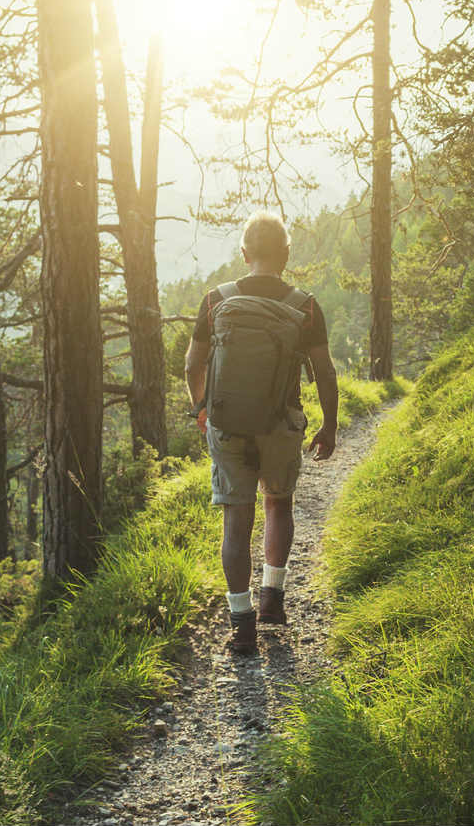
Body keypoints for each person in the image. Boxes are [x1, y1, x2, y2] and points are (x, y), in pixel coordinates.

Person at [185, 211, 339, 655]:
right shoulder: (304, 305)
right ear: (286, 255)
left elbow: (192, 365)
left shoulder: (216, 299)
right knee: (278, 502)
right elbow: (324, 372)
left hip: (227, 425)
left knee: (236, 519)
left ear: (244, 253)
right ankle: (272, 597)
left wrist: (203, 408)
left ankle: (241, 623)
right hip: (280, 423)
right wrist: (328, 424)